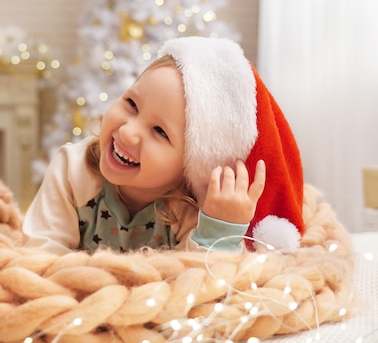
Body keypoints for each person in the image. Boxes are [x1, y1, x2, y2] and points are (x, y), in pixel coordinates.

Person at [23, 37, 305, 255]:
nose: (129, 132)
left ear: (193, 165)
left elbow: (204, 288)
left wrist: (219, 229)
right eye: (131, 104)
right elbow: (41, 259)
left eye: (159, 131)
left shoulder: (191, 209)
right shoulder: (72, 170)